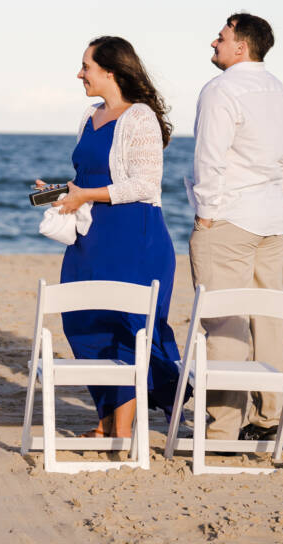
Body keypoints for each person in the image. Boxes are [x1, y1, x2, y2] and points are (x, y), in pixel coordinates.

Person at [37, 36, 183, 438]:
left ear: (111, 71)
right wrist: (63, 192)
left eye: (86, 66)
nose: (79, 73)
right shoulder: (89, 115)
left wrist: (87, 194)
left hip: (134, 235)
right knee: (84, 322)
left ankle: (119, 429)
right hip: (91, 237)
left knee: (127, 326)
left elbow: (144, 184)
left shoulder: (139, 117)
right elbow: (87, 177)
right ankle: (105, 421)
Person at [186, 12, 283, 442]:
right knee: (268, 317)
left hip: (229, 219)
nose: (213, 43)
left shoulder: (221, 90)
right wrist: (275, 201)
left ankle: (223, 428)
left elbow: (209, 159)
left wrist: (206, 212)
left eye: (220, 37)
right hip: (272, 221)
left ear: (242, 46)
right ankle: (270, 418)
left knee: (224, 320)